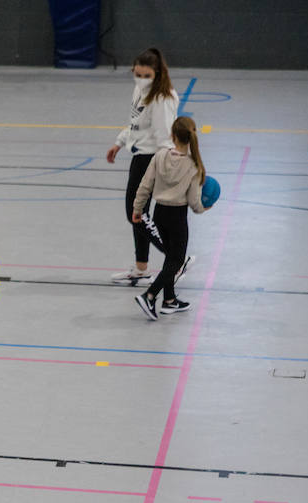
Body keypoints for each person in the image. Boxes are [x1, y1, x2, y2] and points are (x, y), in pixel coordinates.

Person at [106, 48, 188, 286]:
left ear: (157, 73)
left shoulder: (163, 98)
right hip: (138, 155)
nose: (140, 79)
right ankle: (141, 268)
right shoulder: (140, 90)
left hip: (152, 159)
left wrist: (164, 167)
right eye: (137, 74)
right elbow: (136, 123)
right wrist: (119, 142)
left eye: (146, 75)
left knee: (136, 214)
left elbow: (164, 137)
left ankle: (177, 259)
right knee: (138, 214)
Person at [132, 116, 211, 320]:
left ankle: (169, 300)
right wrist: (205, 208)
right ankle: (150, 295)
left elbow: (145, 186)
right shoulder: (193, 167)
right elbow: (194, 203)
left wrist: (137, 209)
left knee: (170, 257)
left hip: (159, 213)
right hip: (177, 217)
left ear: (172, 135)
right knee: (176, 260)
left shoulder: (159, 156)